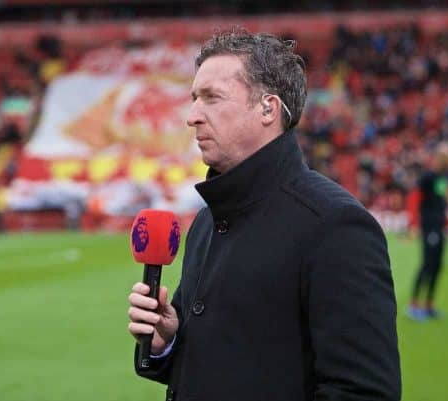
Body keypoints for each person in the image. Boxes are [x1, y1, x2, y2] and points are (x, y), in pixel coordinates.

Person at [127, 30, 401, 401]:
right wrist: (169, 342)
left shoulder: (334, 225)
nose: (192, 117)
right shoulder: (207, 221)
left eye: (211, 98)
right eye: (194, 99)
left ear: (268, 109)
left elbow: (363, 393)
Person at [406, 143, 448, 321]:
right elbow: (414, 198)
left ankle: (428, 305)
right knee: (427, 264)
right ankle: (413, 306)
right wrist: (413, 223)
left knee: (437, 265)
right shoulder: (427, 177)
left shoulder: (443, 178)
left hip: (440, 227)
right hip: (429, 227)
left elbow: (442, 202)